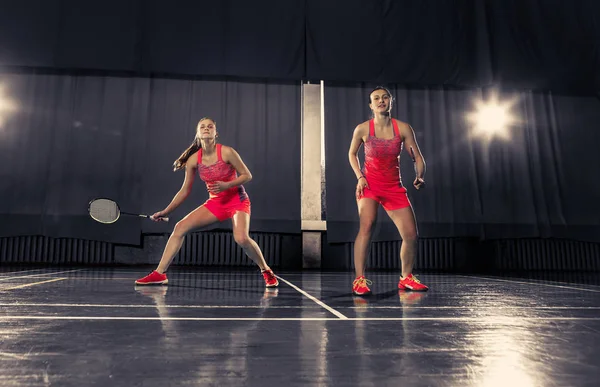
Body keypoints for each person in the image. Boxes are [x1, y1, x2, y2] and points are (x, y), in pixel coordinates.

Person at [135, 117, 279, 288]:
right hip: (216, 203)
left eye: (210, 126)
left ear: (215, 133)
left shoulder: (227, 152)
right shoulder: (193, 160)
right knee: (180, 227)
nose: (206, 128)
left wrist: (227, 184)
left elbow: (247, 175)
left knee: (241, 238)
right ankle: (159, 274)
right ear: (198, 133)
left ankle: (266, 270)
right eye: (202, 127)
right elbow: (184, 191)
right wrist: (166, 211)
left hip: (237, 201)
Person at [347, 87, 428, 295]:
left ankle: (406, 278)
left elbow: (417, 157)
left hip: (394, 187)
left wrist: (419, 176)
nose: (381, 101)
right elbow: (352, 154)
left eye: (385, 97)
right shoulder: (363, 129)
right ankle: (359, 280)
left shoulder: (403, 128)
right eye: (376, 98)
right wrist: (360, 177)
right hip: (370, 186)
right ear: (371, 105)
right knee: (367, 225)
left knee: (411, 234)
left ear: (390, 101)